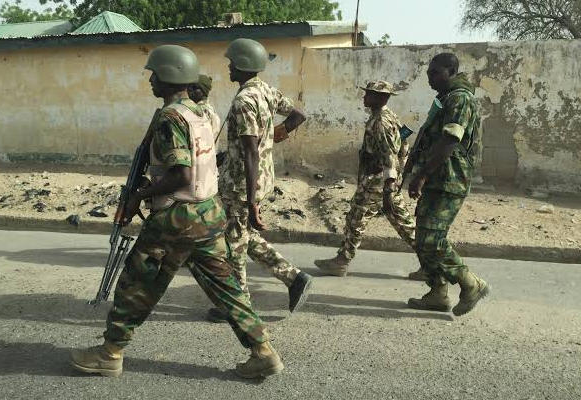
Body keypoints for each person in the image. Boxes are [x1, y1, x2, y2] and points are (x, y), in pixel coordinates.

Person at [70, 45, 284, 379]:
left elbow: (181, 174)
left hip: (176, 217)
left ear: (169, 76)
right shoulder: (199, 113)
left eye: (154, 74)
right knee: (227, 287)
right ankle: (263, 352)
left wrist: (139, 195)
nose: (151, 80)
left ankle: (110, 353)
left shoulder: (170, 118)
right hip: (208, 213)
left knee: (136, 283)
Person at [208, 38, 313, 321]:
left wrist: (252, 200)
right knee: (241, 234)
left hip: (242, 185)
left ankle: (237, 305)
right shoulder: (266, 91)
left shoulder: (244, 100)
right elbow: (298, 115)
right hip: (260, 178)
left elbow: (251, 151)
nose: (229, 67)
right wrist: (274, 136)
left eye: (232, 62)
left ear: (243, 65)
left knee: (234, 243)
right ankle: (294, 278)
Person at [314, 81, 426, 280]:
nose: (365, 97)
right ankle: (431, 263)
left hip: (378, 181)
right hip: (384, 180)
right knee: (403, 223)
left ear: (381, 98)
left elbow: (389, 154)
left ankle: (342, 261)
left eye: (369, 94)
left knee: (356, 219)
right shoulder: (388, 116)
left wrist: (389, 186)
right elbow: (403, 144)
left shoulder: (381, 122)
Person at [406, 53, 489, 316]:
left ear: (451, 71)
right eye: (428, 73)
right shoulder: (446, 98)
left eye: (435, 73)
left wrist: (422, 175)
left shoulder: (460, 98)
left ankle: (470, 283)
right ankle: (437, 293)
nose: (430, 78)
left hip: (449, 179)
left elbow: (449, 141)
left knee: (432, 238)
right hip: (436, 178)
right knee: (422, 239)